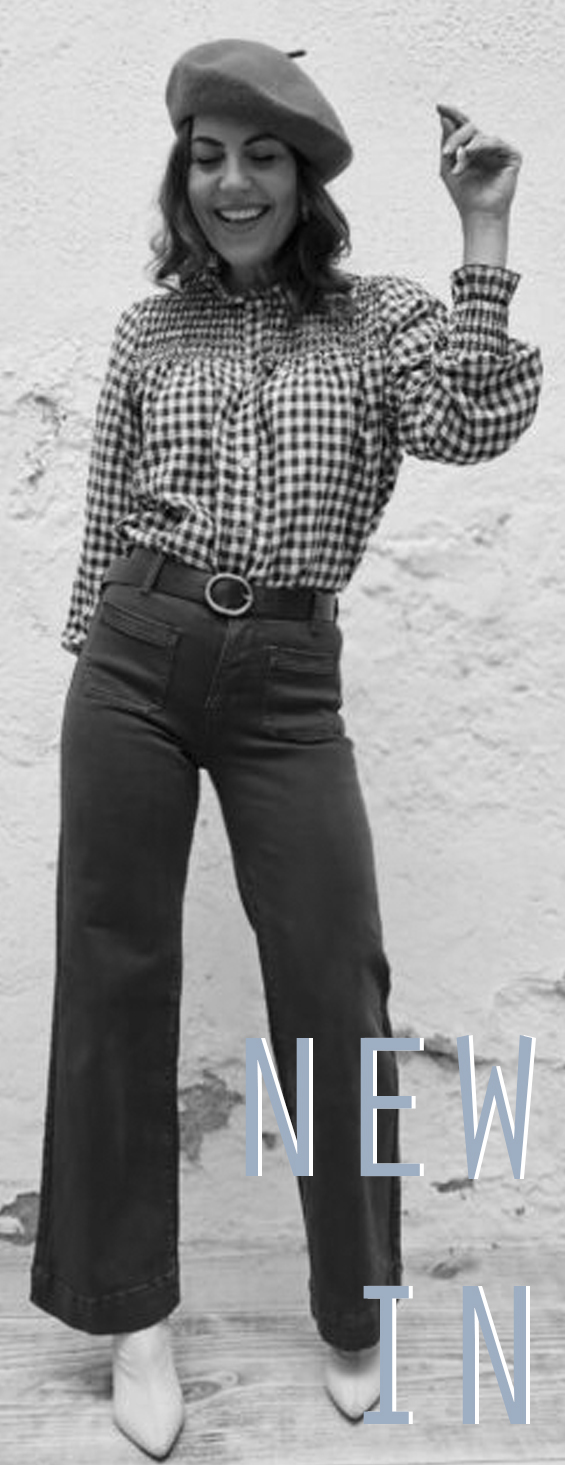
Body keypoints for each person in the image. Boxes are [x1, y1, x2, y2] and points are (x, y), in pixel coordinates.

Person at [29, 37, 542, 1461]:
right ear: (181, 175)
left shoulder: (378, 320)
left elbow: (474, 421)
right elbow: (105, 520)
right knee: (112, 971)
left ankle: (353, 1297)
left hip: (288, 679)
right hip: (135, 655)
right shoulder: (150, 332)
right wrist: (97, 666)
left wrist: (483, 233)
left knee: (332, 976)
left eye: (262, 155)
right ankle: (131, 1313)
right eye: (207, 155)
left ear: (304, 178)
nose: (232, 181)